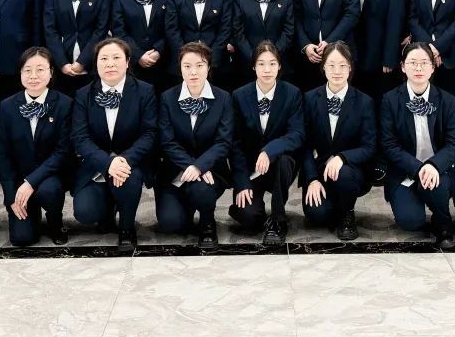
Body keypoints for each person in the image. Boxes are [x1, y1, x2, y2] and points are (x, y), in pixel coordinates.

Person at [72, 39, 158, 253]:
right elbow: (80, 138)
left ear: (128, 62)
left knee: (128, 179)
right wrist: (107, 163)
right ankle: (108, 209)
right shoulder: (83, 94)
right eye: (104, 58)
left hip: (130, 162)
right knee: (85, 213)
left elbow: (149, 133)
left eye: (116, 58)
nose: (110, 63)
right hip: (97, 164)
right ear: (96, 63)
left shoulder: (145, 91)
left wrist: (123, 160)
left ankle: (127, 228)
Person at [381, 43, 455, 249]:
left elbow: (454, 143)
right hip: (406, 170)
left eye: (424, 63)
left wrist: (433, 165)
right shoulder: (390, 100)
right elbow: (389, 145)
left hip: (439, 168)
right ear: (403, 67)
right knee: (410, 222)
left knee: (435, 184)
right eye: (412, 63)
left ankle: (443, 223)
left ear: (433, 67)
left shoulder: (447, 100)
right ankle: (418, 197)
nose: (418, 68)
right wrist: (418, 168)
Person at [155, 42, 233, 251]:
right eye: (187, 66)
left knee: (202, 190)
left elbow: (223, 142)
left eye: (199, 65)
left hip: (211, 170)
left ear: (208, 67)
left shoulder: (223, 98)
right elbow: (167, 141)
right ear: (180, 68)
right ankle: (187, 205)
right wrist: (190, 165)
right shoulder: (168, 98)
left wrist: (200, 166)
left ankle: (208, 223)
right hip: (175, 169)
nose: (193, 72)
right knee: (171, 223)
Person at [228, 43, 304, 245]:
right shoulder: (239, 96)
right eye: (261, 64)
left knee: (284, 161)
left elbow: (297, 134)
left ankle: (278, 220)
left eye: (272, 63)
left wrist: (269, 151)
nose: (267, 69)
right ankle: (251, 207)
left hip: (280, 164)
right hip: (252, 168)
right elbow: (235, 143)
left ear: (280, 66)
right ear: (253, 66)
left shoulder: (292, 93)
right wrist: (241, 183)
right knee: (249, 218)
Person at [0, 47, 72, 246]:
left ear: (51, 72)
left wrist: (31, 182)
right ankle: (32, 214)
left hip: (50, 176)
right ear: (20, 73)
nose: (33, 76)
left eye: (40, 69)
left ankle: (55, 221)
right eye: (27, 70)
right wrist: (11, 195)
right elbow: (2, 154)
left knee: (49, 190)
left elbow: (63, 151)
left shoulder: (64, 104)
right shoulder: (6, 107)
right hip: (19, 180)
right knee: (22, 239)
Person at [300, 42, 376, 240]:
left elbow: (369, 146)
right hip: (320, 170)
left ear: (350, 68)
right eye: (331, 65)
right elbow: (305, 145)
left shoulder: (364, 102)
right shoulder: (309, 99)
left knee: (343, 175)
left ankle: (347, 214)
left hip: (350, 170)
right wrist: (311, 179)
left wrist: (342, 157)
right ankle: (334, 202)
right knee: (317, 215)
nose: (336, 71)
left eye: (342, 65)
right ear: (323, 67)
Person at [44, 0, 111, 96]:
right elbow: (50, 30)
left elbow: (101, 29)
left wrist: (82, 62)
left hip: (92, 63)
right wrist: (62, 63)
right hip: (62, 63)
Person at [166, 0, 233, 80]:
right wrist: (186, 57)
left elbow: (225, 29)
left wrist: (211, 58)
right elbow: (172, 30)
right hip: (182, 63)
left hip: (216, 63)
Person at [112, 0, 172, 91]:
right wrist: (138, 54)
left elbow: (171, 28)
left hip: (162, 63)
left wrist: (158, 51)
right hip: (131, 63)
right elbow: (119, 30)